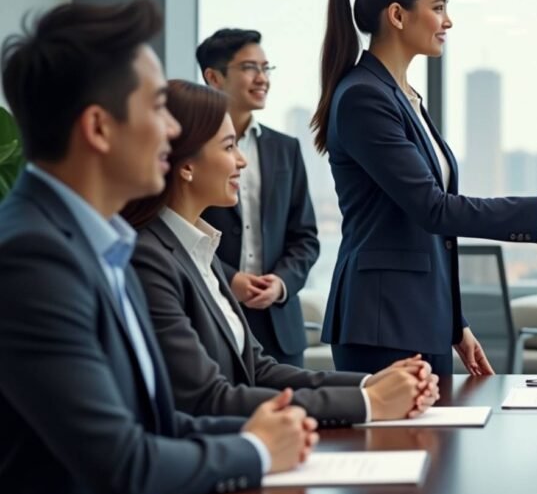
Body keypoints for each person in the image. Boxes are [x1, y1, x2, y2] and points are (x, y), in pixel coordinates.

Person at [0, 0, 315, 494]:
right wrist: (257, 448)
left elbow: (156, 421)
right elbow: (124, 463)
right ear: (99, 128)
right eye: (156, 108)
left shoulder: (102, 242)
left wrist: (263, 429)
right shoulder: (32, 257)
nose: (173, 130)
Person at [311, 0, 537, 375]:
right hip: (381, 325)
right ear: (397, 15)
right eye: (438, 8)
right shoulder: (364, 97)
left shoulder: (403, 96)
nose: (448, 21)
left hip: (418, 319)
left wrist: (454, 324)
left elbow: (428, 231)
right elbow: (433, 209)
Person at [124, 79, 440, 428]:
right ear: (186, 165)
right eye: (229, 147)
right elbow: (208, 399)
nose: (242, 160)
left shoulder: (199, 250)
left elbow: (258, 370)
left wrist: (370, 383)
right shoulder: (149, 259)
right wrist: (369, 403)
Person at [197, 28, 320, 366]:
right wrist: (227, 279)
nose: (262, 78)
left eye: (267, 69)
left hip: (280, 328)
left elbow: (305, 236)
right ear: (214, 77)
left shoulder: (286, 149)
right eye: (250, 68)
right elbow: (176, 228)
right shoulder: (189, 149)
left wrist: (281, 283)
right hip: (210, 316)